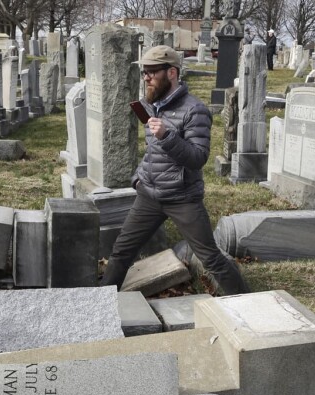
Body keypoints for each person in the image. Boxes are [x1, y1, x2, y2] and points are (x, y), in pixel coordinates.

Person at [100, 45, 249, 296]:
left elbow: (197, 158)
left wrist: (167, 135)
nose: (146, 77)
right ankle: (100, 302)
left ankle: (248, 300)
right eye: (144, 72)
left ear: (171, 73)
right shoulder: (152, 105)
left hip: (182, 198)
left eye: (151, 72)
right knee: (121, 251)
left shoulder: (195, 110)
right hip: (149, 195)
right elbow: (151, 151)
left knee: (210, 258)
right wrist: (139, 178)